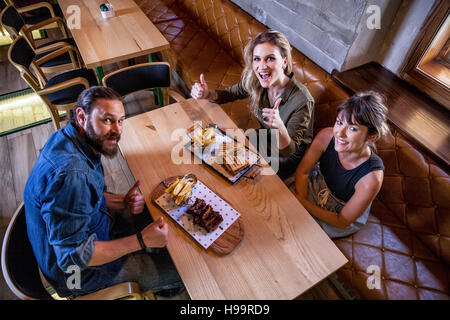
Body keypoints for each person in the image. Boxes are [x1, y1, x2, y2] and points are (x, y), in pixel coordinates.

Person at [24, 86, 184, 298]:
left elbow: (85, 197)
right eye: (107, 120)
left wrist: (121, 202)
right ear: (81, 116)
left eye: (120, 120)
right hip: (76, 277)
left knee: (158, 214)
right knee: (183, 268)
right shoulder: (71, 175)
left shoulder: (68, 139)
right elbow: (72, 257)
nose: (117, 130)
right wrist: (141, 241)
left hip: (94, 230)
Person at [190, 29, 315, 179]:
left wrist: (279, 127)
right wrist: (207, 94)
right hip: (264, 138)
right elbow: (230, 93)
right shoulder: (256, 80)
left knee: (245, 177)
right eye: (257, 59)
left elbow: (289, 150)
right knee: (219, 157)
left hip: (287, 156)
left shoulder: (302, 100)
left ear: (284, 61)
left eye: (270, 58)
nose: (262, 66)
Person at [294, 91, 389, 238]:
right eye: (339, 122)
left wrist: (301, 203)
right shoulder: (326, 136)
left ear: (371, 136)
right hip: (315, 186)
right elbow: (303, 172)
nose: (340, 133)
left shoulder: (371, 179)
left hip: (337, 213)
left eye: (352, 128)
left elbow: (341, 221)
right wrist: (302, 202)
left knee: (301, 236)